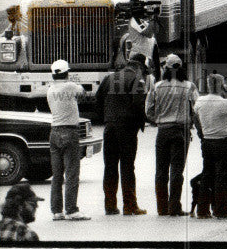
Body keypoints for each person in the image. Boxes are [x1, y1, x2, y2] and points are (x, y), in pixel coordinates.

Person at [144, 53, 199, 216]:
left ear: (166, 68)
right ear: (181, 68)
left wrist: (158, 120)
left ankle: (162, 208)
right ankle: (174, 207)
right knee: (177, 170)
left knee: (160, 171)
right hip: (181, 131)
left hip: (163, 132)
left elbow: (148, 110)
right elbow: (197, 109)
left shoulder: (157, 86)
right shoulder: (189, 87)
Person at [96, 53, 150, 216]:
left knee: (110, 166)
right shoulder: (137, 79)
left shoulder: (109, 78)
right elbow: (138, 103)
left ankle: (110, 206)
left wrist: (106, 118)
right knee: (127, 167)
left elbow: (98, 99)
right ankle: (130, 206)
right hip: (127, 128)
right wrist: (141, 122)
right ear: (140, 67)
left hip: (110, 127)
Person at [46, 59, 91, 221]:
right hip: (70, 132)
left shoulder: (50, 90)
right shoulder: (72, 87)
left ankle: (57, 211)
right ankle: (71, 209)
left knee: (57, 174)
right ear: (67, 73)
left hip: (54, 132)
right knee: (72, 172)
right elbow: (84, 94)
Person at [194, 73, 227, 219]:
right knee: (224, 175)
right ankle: (221, 209)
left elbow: (195, 114)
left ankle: (202, 209)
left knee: (207, 173)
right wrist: (226, 96)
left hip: (207, 141)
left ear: (208, 86)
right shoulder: (225, 103)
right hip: (224, 141)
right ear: (222, 86)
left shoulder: (200, 101)